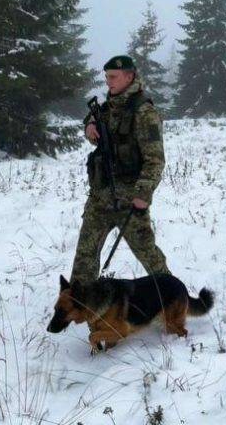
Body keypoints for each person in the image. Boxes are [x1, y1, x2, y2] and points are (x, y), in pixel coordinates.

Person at [69, 55, 172, 283]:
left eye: (113, 76)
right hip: (100, 196)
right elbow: (99, 133)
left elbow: (155, 159)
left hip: (130, 199)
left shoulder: (144, 112)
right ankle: (78, 301)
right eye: (106, 77)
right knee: (85, 254)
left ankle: (171, 298)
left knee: (148, 254)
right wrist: (89, 125)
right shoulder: (108, 108)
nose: (108, 81)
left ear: (129, 76)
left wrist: (143, 195)